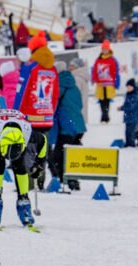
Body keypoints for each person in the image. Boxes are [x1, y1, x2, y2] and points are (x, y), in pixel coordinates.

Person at [0, 108, 47, 230]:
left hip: (18, 135)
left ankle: (24, 200)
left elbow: (43, 142)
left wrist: (39, 166)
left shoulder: (30, 135)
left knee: (20, 167)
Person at [14, 31, 58, 188]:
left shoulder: (30, 67)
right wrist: (49, 111)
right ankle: (40, 179)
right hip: (46, 117)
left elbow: (21, 92)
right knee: (42, 149)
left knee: (27, 150)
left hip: (30, 116)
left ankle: (28, 184)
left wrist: (16, 113)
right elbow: (55, 95)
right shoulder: (52, 69)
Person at [50, 61, 86, 189]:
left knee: (58, 156)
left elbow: (52, 104)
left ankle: (64, 180)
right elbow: (80, 104)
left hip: (67, 127)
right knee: (72, 155)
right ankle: (73, 180)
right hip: (79, 126)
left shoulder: (59, 86)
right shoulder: (73, 85)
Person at [91, 40, 120, 123]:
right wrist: (96, 79)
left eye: (106, 49)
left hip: (109, 84)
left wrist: (115, 82)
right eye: (103, 49)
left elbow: (114, 71)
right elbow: (95, 70)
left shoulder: (112, 60)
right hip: (100, 83)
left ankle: (105, 115)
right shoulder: (98, 60)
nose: (104, 50)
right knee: (101, 100)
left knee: (107, 100)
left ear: (108, 50)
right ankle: (103, 114)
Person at [118, 79, 138, 147]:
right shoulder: (128, 95)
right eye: (127, 87)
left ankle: (131, 143)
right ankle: (128, 142)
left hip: (133, 117)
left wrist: (123, 108)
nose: (128, 88)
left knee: (131, 131)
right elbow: (127, 104)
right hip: (128, 116)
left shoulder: (135, 96)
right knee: (127, 131)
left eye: (129, 87)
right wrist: (122, 107)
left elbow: (131, 106)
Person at [69, 58, 89, 124]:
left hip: (76, 111)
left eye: (72, 66)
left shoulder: (76, 79)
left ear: (77, 67)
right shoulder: (81, 77)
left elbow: (74, 95)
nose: (70, 67)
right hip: (80, 111)